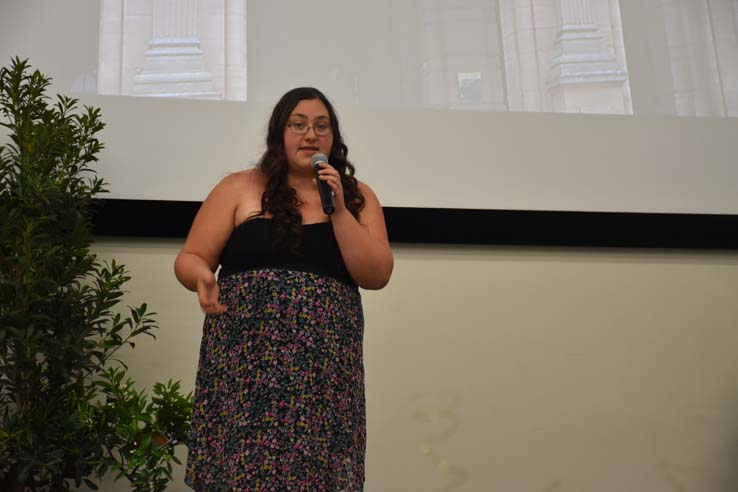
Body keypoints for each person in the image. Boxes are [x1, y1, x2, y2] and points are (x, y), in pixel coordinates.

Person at [174, 87, 393, 491]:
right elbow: (190, 257)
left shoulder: (357, 197)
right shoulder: (238, 188)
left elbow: (376, 274)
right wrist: (201, 276)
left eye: (321, 126)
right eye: (298, 124)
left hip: (323, 381)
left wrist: (339, 208)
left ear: (333, 138)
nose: (310, 134)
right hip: (245, 373)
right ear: (279, 133)